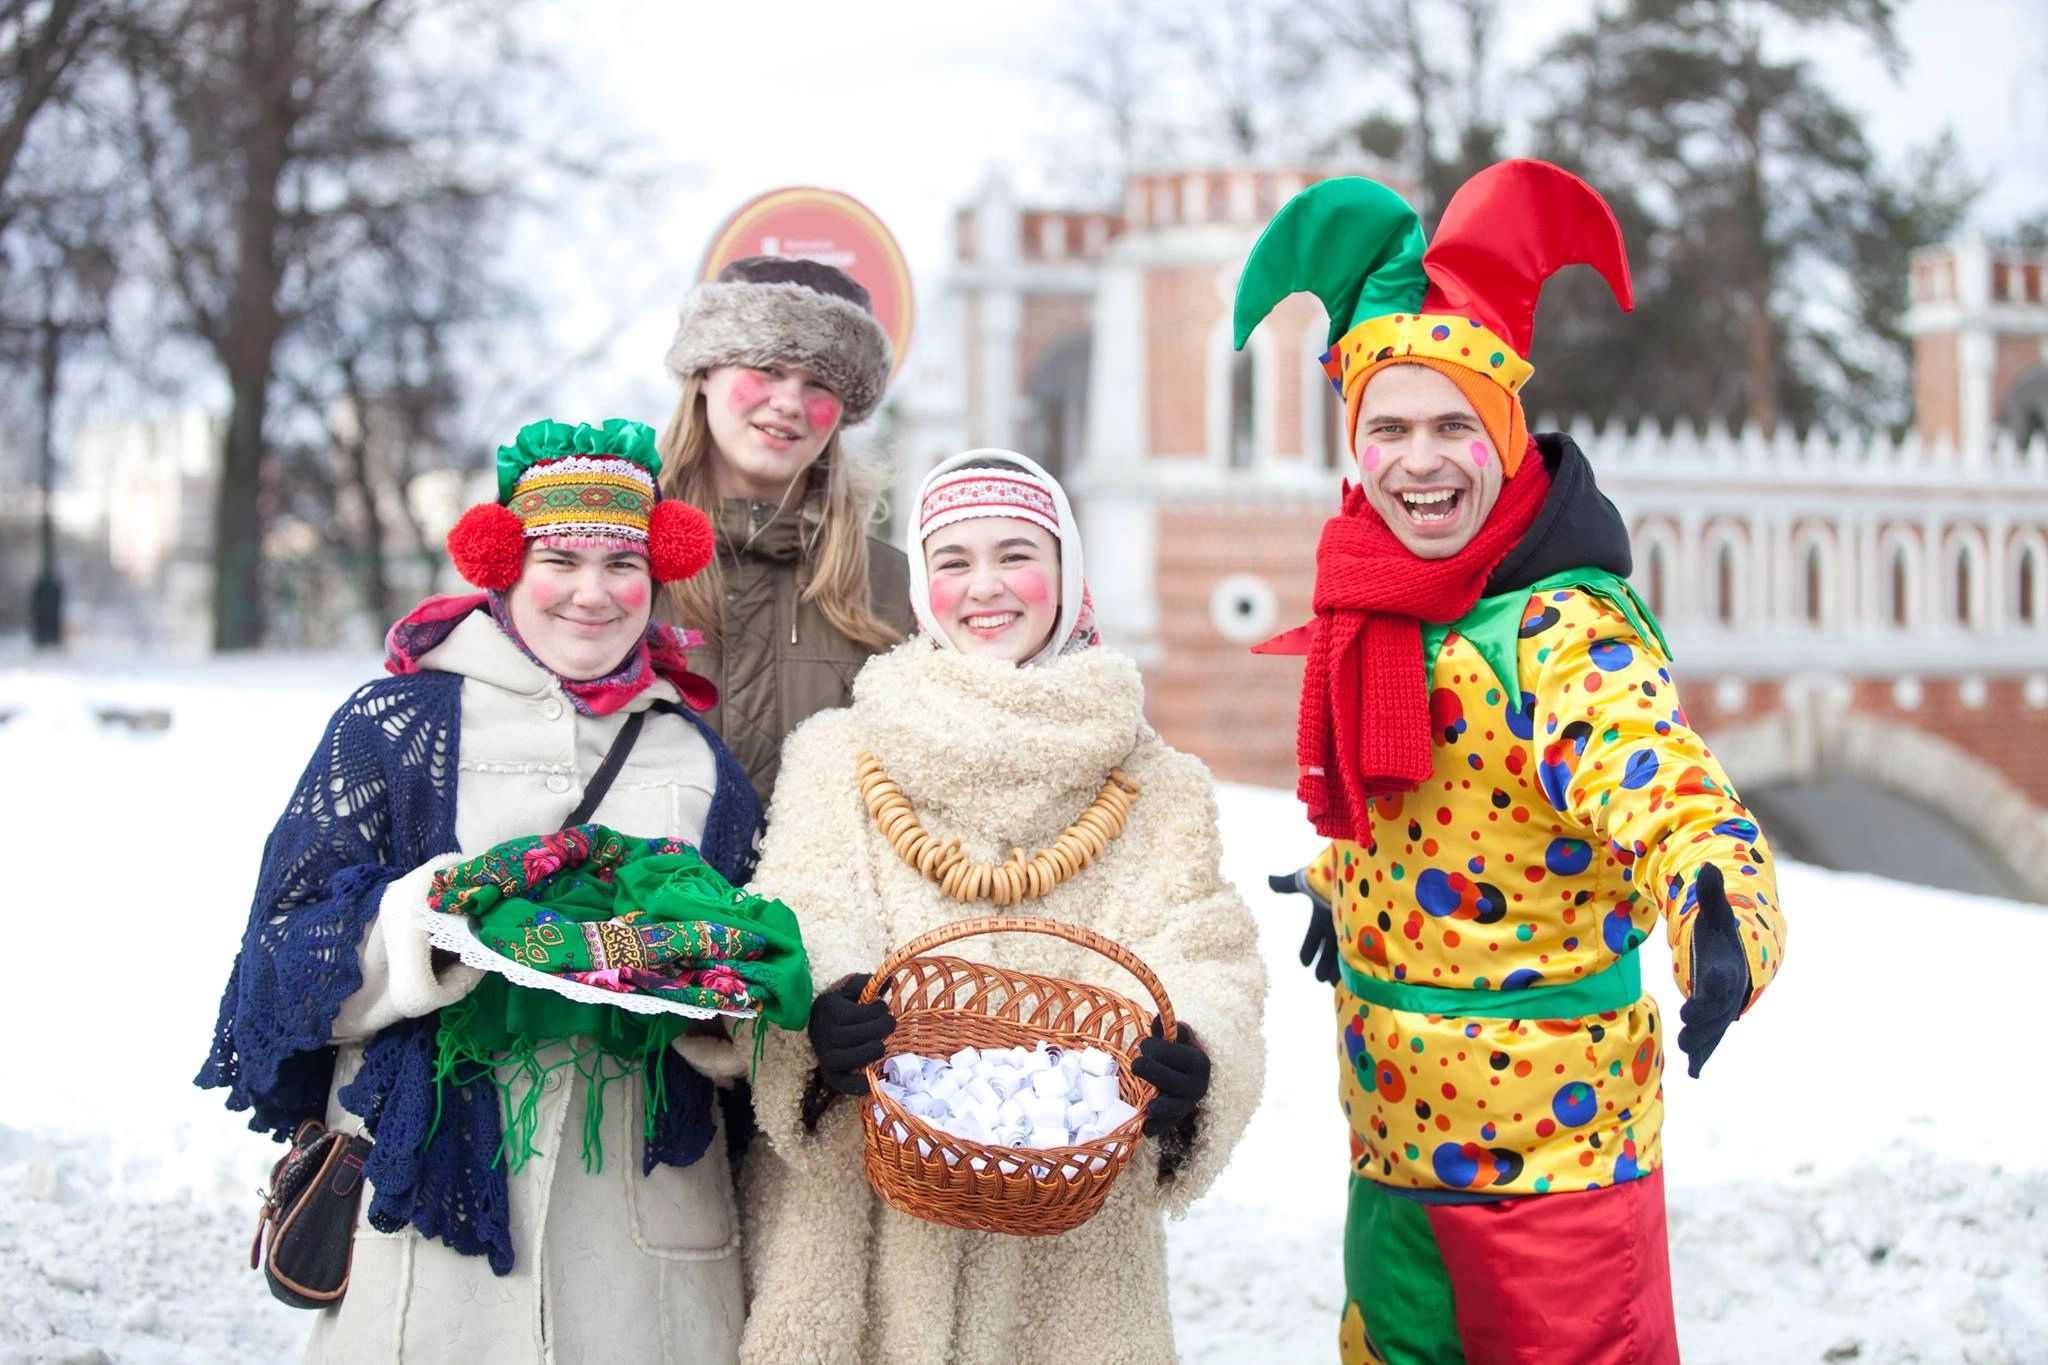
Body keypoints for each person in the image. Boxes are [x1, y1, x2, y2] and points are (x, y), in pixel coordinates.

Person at [1235, 163, 1787, 1364]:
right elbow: (1451, 810)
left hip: (1553, 1160)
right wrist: (1351, 884)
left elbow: (1664, 789)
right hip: (1391, 1134)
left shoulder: (1556, 629)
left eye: (1450, 427)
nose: (1416, 461)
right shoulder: (1382, 605)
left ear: (1502, 436)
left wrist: (1718, 906)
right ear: (1353, 443)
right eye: (1388, 427)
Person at [197, 418, 768, 1363]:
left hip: (640, 1234)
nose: (594, 592)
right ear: (506, 563)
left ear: (657, 572)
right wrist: (421, 923)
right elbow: (281, 952)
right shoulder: (395, 725)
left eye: (624, 562)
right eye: (560, 558)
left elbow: (749, 995)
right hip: (424, 1211)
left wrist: (717, 1000)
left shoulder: (697, 758)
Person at [734, 450, 1267, 1364]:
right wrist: (822, 1010)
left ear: (1066, 570)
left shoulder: (1156, 783)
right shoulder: (839, 752)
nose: (985, 586)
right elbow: (801, 906)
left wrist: (1195, 1054)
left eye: (1016, 553)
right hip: (860, 1231)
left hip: (1068, 1261)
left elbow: (1204, 951)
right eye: (951, 560)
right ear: (921, 584)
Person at [656, 255, 916, 809]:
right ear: (704, 375)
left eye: (819, 383)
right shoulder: (621, 562)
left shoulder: (897, 589)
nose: (789, 402)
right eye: (769, 368)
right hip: (635, 896)